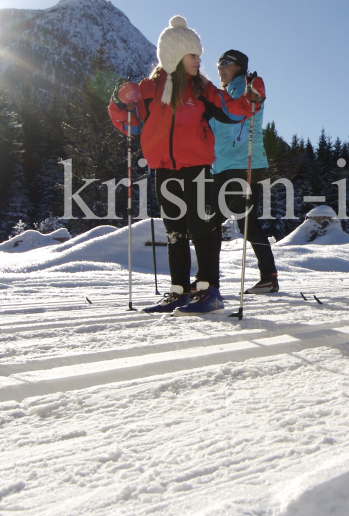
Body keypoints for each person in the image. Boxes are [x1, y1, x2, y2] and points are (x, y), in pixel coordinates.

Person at [108, 16, 263, 314]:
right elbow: (131, 124)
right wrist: (119, 101)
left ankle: (209, 290)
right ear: (175, 55)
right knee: (174, 231)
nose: (199, 60)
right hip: (164, 170)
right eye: (193, 54)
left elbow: (232, 111)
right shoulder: (149, 90)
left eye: (199, 54)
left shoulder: (203, 90)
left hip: (197, 168)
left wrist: (252, 98)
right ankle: (178, 290)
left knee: (202, 227)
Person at [210, 50, 279, 293]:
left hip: (243, 163)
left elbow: (236, 112)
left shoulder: (247, 88)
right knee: (242, 222)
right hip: (224, 164)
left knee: (240, 221)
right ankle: (267, 276)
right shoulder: (227, 92)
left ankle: (210, 281)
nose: (220, 67)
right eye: (218, 63)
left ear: (238, 67)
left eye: (225, 63)